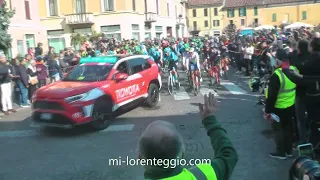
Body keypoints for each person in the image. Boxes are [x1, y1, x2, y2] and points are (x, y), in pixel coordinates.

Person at [138, 93, 238, 179]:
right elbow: (229, 155)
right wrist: (210, 120)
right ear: (182, 153)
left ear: (140, 159)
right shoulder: (203, 175)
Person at [265, 57, 298, 160]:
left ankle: (281, 152)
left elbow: (271, 96)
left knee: (278, 130)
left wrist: (268, 111)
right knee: (288, 128)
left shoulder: (277, 75)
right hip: (291, 106)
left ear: (279, 61)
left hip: (278, 108)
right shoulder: (295, 70)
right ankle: (289, 151)